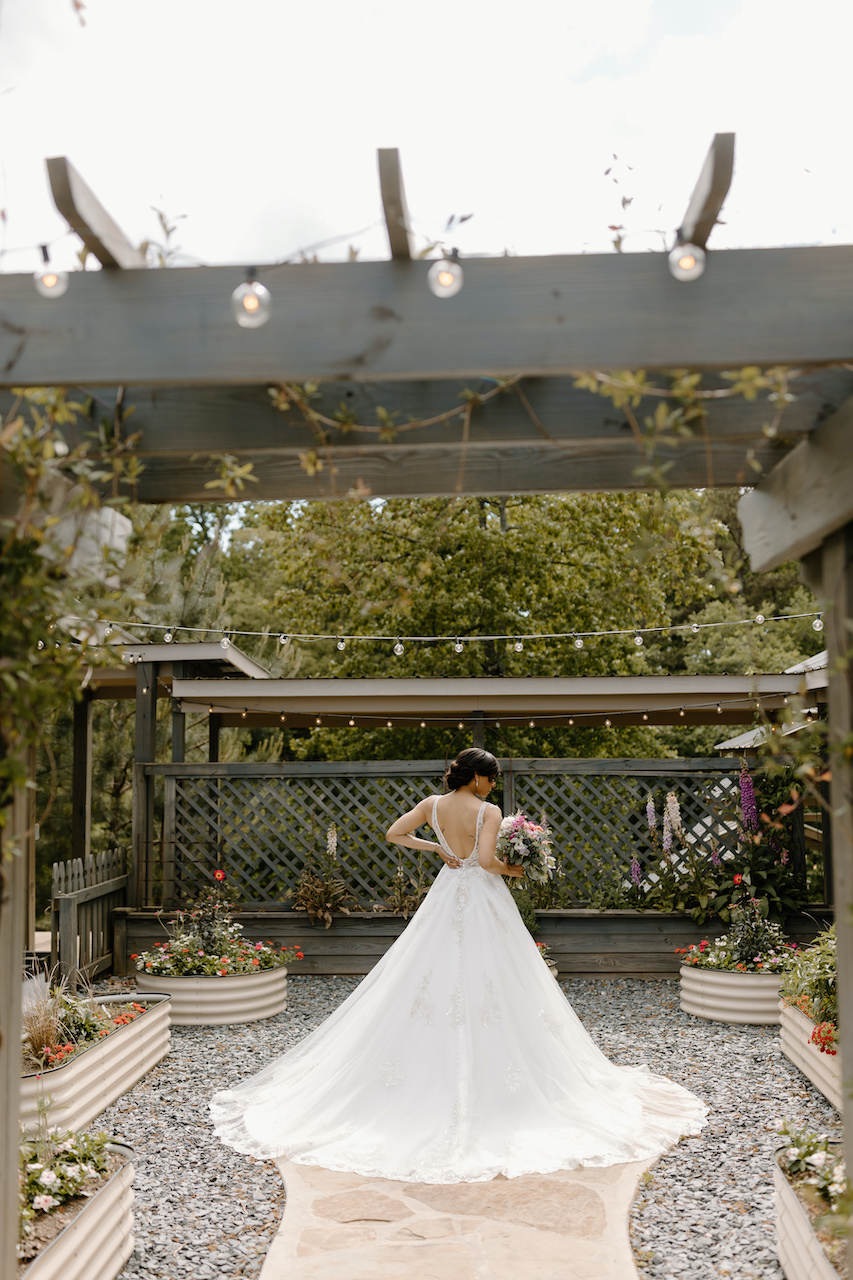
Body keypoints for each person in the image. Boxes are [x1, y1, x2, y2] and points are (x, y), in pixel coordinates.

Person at [209, 748, 707, 1183]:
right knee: (500, 975)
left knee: (427, 972)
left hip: (448, 893)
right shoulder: (487, 811)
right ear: (477, 778)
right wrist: (520, 868)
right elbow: (489, 862)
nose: (493, 785)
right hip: (485, 896)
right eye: (491, 777)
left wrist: (437, 849)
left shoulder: (433, 805)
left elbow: (393, 833)